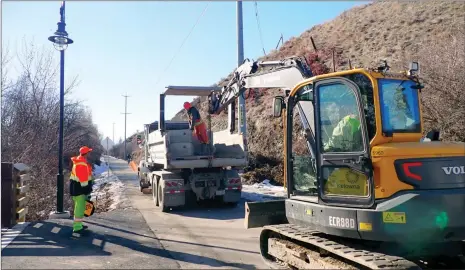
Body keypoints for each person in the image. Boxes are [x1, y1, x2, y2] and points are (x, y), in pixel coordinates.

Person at [69, 146, 93, 234]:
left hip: (76, 188)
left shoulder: (79, 162)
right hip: (80, 190)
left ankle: (78, 225)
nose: (90, 155)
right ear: (86, 154)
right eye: (89, 153)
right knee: (80, 208)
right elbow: (83, 181)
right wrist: (87, 191)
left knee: (79, 207)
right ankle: (77, 227)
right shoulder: (81, 164)